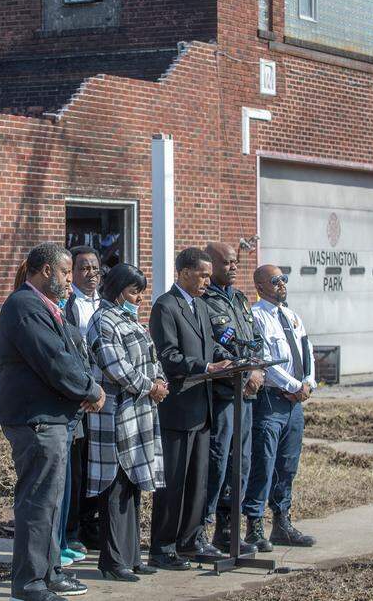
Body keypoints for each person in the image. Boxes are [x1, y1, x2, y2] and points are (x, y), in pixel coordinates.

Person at [0, 242, 107, 601]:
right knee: (38, 503)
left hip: (54, 418)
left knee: (54, 503)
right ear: (46, 271)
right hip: (36, 419)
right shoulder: (24, 306)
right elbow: (54, 360)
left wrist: (85, 385)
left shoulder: (47, 307)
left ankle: (50, 572)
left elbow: (73, 353)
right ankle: (29, 583)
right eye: (64, 271)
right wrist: (90, 389)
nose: (70, 279)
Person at [148, 247, 234, 570]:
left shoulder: (200, 305)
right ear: (184, 273)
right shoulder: (166, 307)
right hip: (178, 409)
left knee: (198, 480)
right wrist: (206, 367)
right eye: (203, 275)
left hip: (203, 406)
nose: (208, 281)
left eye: (209, 275)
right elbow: (168, 356)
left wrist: (232, 360)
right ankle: (163, 546)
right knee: (174, 483)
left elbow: (211, 346)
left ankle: (190, 540)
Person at [84, 264, 168, 582]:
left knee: (133, 485)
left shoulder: (130, 320)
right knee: (115, 486)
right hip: (116, 417)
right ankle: (112, 561)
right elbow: (116, 367)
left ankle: (132, 557)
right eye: (134, 292)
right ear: (119, 292)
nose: (139, 299)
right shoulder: (102, 321)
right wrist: (151, 387)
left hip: (139, 414)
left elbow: (152, 358)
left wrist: (159, 380)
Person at [244, 264, 317, 552]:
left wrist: (308, 382)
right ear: (260, 286)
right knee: (263, 463)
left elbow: (307, 351)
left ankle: (282, 522)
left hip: (294, 404)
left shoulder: (291, 316)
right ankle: (254, 526)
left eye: (284, 279)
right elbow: (263, 360)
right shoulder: (256, 317)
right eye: (275, 281)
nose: (282, 284)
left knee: (287, 465)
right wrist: (293, 386)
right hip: (271, 401)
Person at [200, 242, 266, 555]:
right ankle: (200, 529)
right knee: (218, 461)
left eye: (235, 262)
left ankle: (227, 531)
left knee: (241, 462)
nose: (234, 267)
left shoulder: (239, 299)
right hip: (223, 394)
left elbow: (255, 340)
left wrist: (257, 370)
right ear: (211, 265)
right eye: (227, 263)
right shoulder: (204, 300)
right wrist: (242, 373)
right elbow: (212, 346)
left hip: (246, 396)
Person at [61, 246, 102, 556]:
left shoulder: (105, 303)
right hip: (81, 394)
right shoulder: (68, 304)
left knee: (95, 464)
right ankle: (71, 528)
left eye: (95, 268)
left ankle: (91, 523)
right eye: (84, 268)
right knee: (77, 465)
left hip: (104, 395)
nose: (91, 274)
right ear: (72, 273)